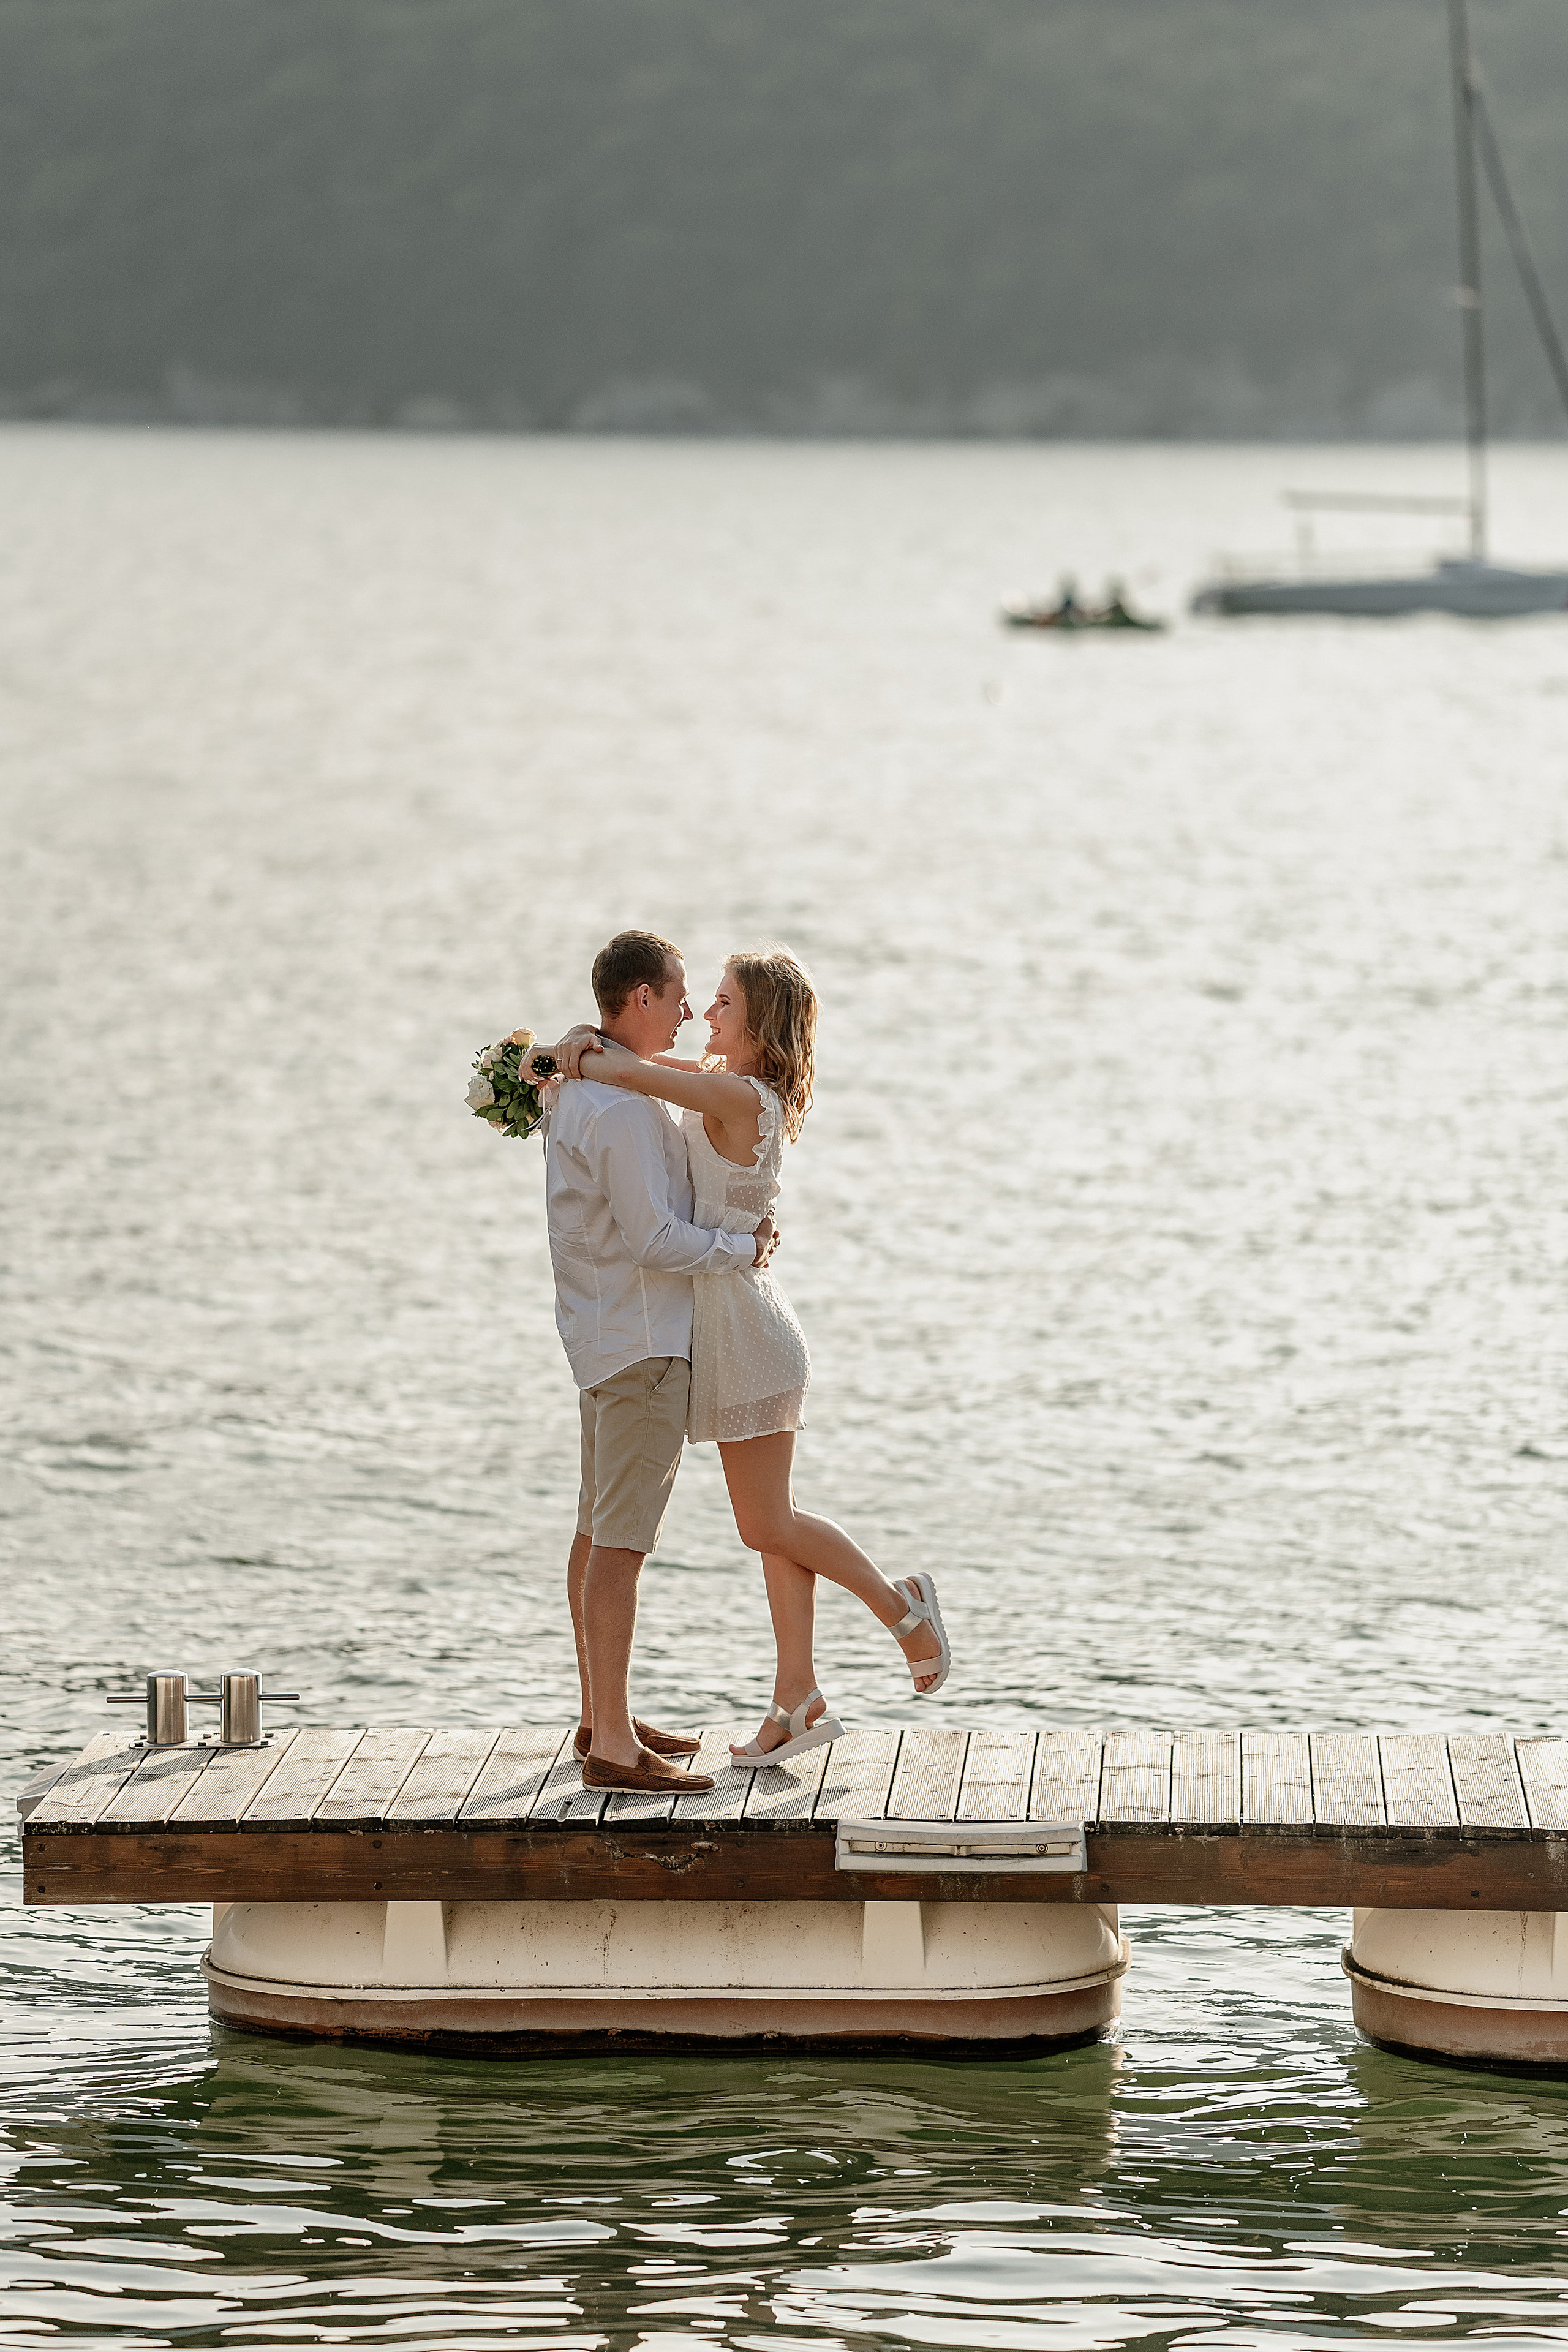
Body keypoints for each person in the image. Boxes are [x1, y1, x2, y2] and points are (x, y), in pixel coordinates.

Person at [535, 947, 948, 1765]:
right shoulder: (724, 1078)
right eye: (704, 998)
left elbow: (637, 1076)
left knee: (768, 1521)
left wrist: (578, 1051)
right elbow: (638, 1067)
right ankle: (796, 1696)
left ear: (758, 1023)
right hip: (718, 1326)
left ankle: (901, 1610)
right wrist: (579, 1044)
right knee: (770, 1528)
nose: (708, 1014)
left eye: (723, 1002)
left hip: (746, 1330)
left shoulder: (730, 1091)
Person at [534, 930, 779, 1794]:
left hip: (601, 1338)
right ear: (639, 998)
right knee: (622, 1545)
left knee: (597, 1531)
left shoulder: (579, 1088)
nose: (686, 1011)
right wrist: (738, 1245)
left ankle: (604, 1714)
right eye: (677, 995)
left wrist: (575, 1045)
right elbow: (652, 1238)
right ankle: (610, 1748)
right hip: (641, 1343)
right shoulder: (623, 1108)